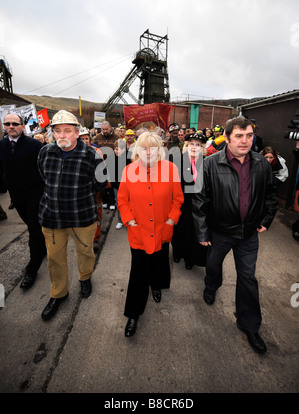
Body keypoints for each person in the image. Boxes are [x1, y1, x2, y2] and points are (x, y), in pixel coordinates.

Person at [193, 116, 278, 354]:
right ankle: (212, 285)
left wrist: (266, 219)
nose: (245, 141)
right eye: (239, 136)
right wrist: (202, 231)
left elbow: (271, 195)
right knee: (213, 264)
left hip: (248, 235)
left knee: (248, 278)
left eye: (249, 135)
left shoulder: (261, 164)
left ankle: (249, 323)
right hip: (220, 232)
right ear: (228, 138)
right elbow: (200, 200)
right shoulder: (210, 164)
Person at [38, 110, 108, 321]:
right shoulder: (45, 152)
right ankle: (58, 294)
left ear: (77, 133)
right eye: (57, 131)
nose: (62, 135)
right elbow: (43, 176)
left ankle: (85, 278)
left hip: (81, 217)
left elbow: (101, 184)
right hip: (52, 217)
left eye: (67, 130)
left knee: (85, 253)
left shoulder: (92, 155)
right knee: (54, 259)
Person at [117, 132, 184, 337]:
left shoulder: (171, 169)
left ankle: (157, 285)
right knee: (138, 271)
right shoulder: (129, 170)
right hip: (139, 231)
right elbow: (122, 200)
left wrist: (171, 220)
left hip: (162, 228)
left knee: (160, 260)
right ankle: (133, 313)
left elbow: (178, 199)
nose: (148, 152)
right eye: (144, 148)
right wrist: (131, 222)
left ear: (160, 150)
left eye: (152, 148)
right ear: (137, 150)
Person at [0, 113, 47, 289]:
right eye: (7, 123)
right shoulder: (1, 146)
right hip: (16, 197)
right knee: (33, 227)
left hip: (36, 195)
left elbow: (44, 169)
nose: (11, 126)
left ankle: (32, 269)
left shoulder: (35, 145)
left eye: (15, 123)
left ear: (22, 126)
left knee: (34, 230)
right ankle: (42, 248)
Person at [172, 133, 207, 269]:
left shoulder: (206, 162)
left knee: (193, 231)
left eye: (198, 145)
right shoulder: (177, 160)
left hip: (197, 205)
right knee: (179, 229)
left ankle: (190, 258)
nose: (194, 147)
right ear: (186, 145)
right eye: (191, 144)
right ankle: (177, 253)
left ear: (202, 147)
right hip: (181, 203)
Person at [78, 126, 104, 243]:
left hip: (94, 189)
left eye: (86, 139)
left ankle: (96, 237)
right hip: (80, 191)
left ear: (90, 139)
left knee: (96, 213)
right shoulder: (73, 152)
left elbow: (102, 171)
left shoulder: (97, 152)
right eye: (82, 139)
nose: (85, 141)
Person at [93, 121, 119, 210]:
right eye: (103, 129)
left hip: (112, 163)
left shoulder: (117, 137)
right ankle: (105, 201)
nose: (105, 131)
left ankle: (112, 202)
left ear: (110, 127)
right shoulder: (97, 138)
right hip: (101, 164)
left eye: (106, 129)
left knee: (111, 184)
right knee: (102, 183)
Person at [111, 138, 131, 230]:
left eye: (118, 149)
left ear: (124, 149)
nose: (116, 151)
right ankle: (120, 220)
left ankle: (130, 219)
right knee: (119, 203)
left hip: (129, 186)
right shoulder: (112, 157)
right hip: (117, 186)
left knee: (130, 203)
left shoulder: (129, 157)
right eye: (115, 149)